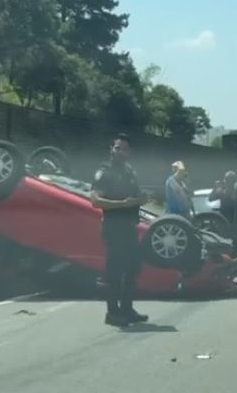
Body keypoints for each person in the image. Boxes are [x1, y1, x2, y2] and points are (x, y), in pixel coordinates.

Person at [90, 133, 149, 327]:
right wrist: (123, 204)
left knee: (132, 269)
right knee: (114, 272)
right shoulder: (104, 171)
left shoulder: (129, 171)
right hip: (113, 227)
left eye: (124, 149)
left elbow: (135, 195)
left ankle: (127, 308)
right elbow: (96, 200)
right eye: (117, 148)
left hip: (130, 227)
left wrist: (141, 199)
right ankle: (112, 312)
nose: (121, 152)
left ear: (129, 152)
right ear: (111, 149)